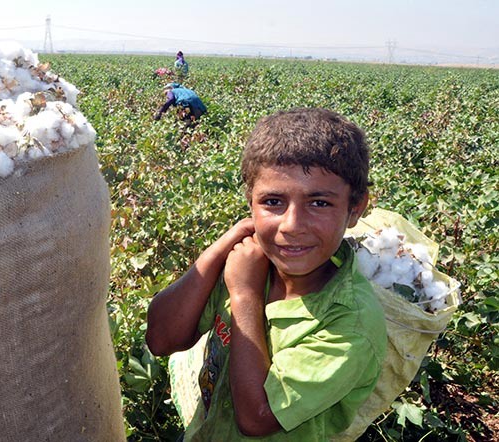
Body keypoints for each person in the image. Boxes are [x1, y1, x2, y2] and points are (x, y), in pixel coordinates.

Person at [146, 108, 388, 441]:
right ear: (250, 203)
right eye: (273, 202)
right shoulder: (248, 263)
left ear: (355, 209)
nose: (292, 225)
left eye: (319, 203)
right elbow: (161, 339)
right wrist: (222, 247)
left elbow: (257, 418)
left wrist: (244, 295)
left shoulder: (350, 322)